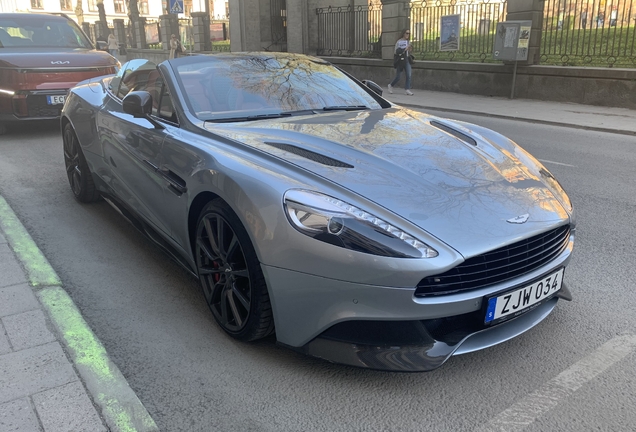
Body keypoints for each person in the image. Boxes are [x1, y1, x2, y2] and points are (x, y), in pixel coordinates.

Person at [387, 29, 414, 96]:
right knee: (398, 76)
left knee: (409, 74)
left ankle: (407, 89)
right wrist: (405, 49)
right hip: (401, 60)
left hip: (407, 59)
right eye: (407, 33)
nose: (408, 35)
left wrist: (410, 49)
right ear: (403, 34)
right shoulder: (399, 42)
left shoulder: (408, 42)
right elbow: (396, 52)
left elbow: (410, 52)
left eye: (409, 33)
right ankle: (390, 85)